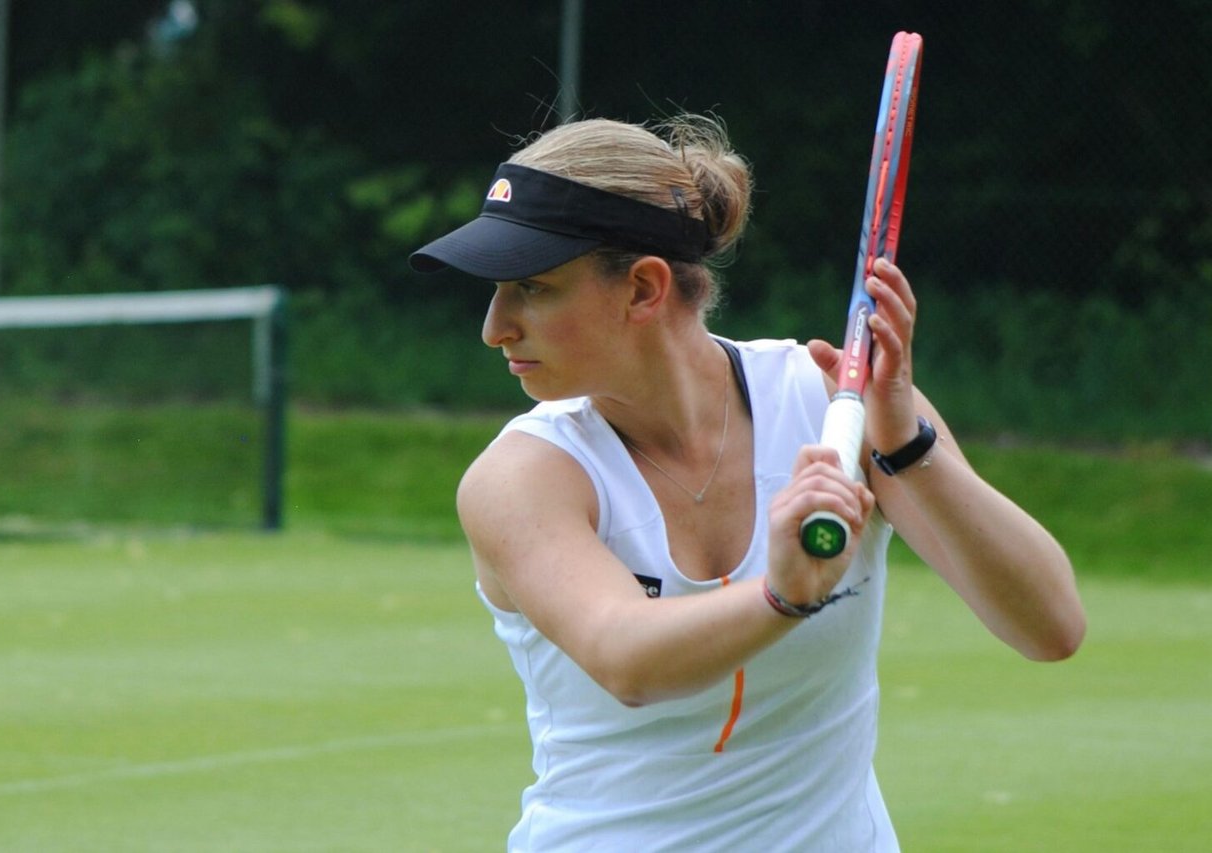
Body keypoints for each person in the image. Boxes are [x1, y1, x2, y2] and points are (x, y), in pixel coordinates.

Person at [408, 115, 1086, 852]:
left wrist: (905, 445)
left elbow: (1049, 624)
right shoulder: (521, 475)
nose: (495, 326)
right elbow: (627, 657)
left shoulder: (835, 404)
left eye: (532, 288)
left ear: (643, 287)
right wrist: (782, 594)